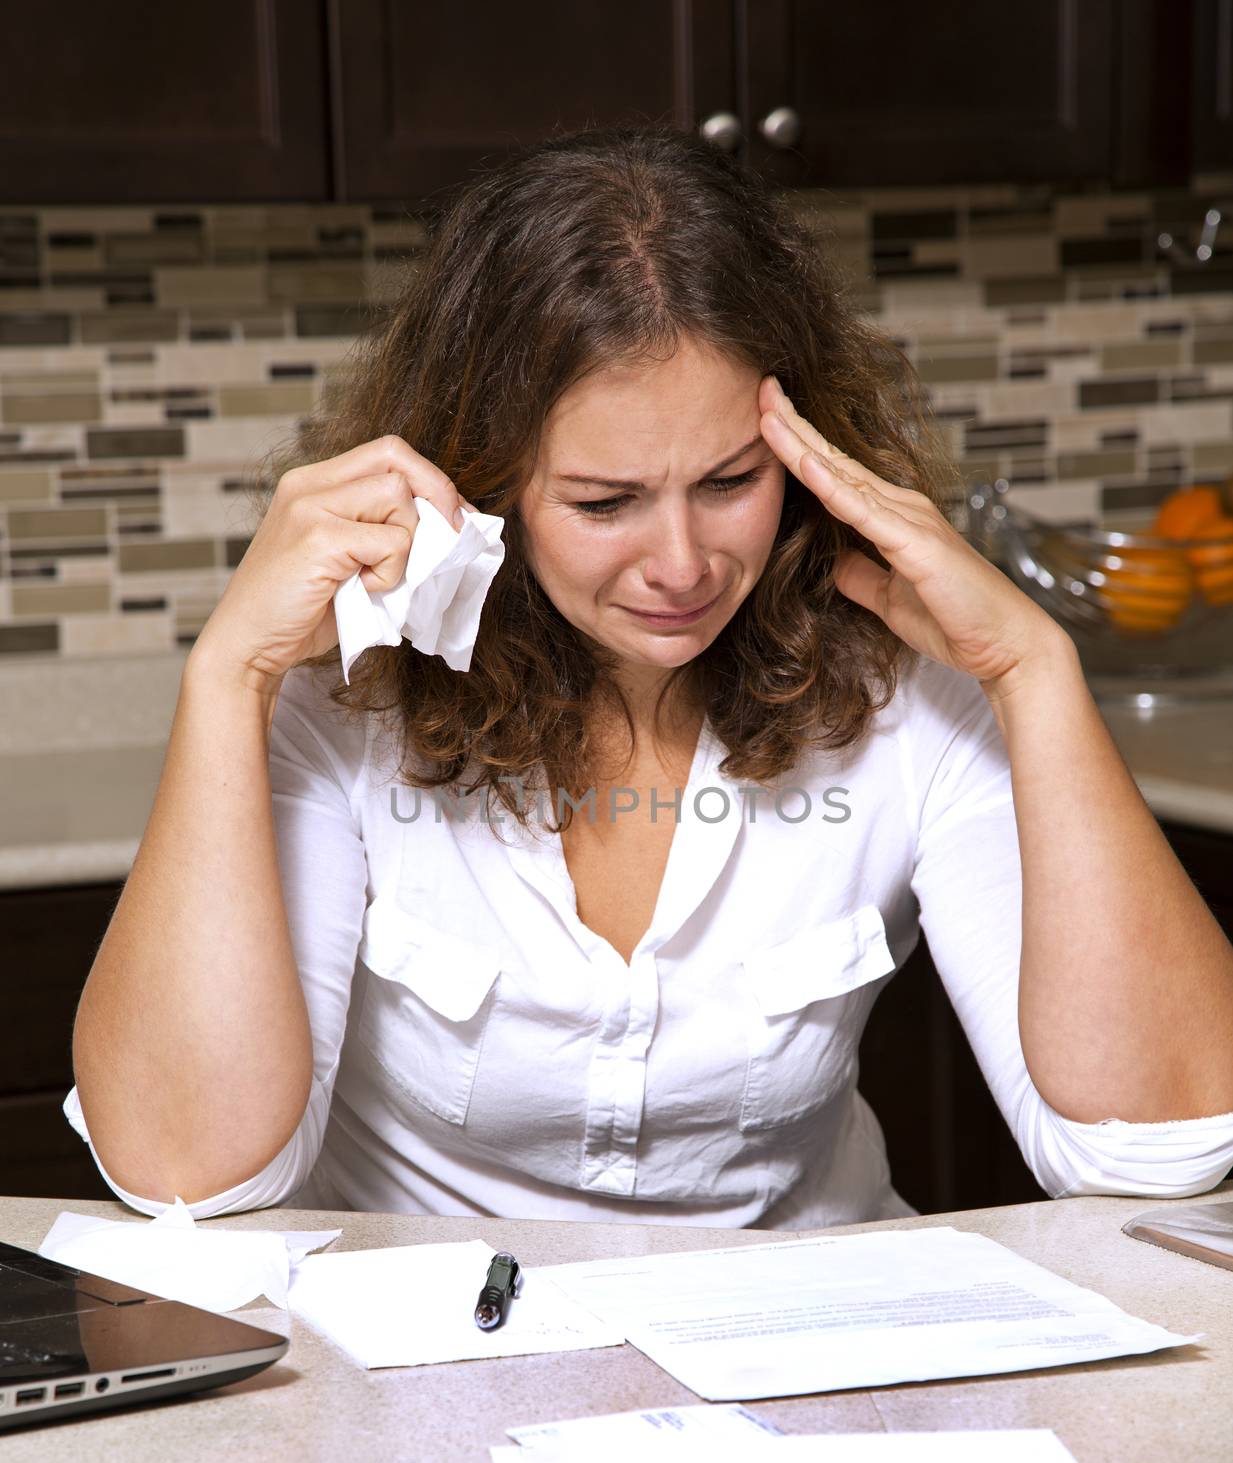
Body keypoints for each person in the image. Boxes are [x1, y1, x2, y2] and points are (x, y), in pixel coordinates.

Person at [66, 125, 1233, 1226]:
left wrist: (1034, 666)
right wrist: (228, 677)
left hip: (809, 1368)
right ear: (488, 477)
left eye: (729, 481)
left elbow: (1155, 1144)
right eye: (605, 501)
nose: (682, 565)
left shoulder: (916, 695)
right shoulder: (341, 703)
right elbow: (190, 1176)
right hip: (426, 1385)